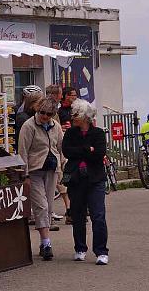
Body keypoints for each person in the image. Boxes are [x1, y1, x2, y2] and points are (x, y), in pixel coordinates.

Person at [62, 99, 109, 265]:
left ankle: (101, 251)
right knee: (78, 215)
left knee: (98, 216)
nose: (73, 118)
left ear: (85, 117)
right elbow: (67, 151)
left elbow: (99, 154)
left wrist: (83, 152)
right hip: (76, 179)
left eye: (76, 115)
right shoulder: (70, 133)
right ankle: (80, 248)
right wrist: (86, 150)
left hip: (95, 179)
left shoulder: (98, 134)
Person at [18, 96, 63, 261]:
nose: (45, 116)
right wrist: (25, 174)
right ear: (37, 110)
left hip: (52, 169)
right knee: (41, 206)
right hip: (35, 170)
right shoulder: (28, 126)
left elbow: (60, 147)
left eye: (49, 114)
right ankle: (46, 243)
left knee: (49, 206)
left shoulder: (55, 126)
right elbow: (22, 151)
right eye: (42, 112)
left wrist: (62, 167)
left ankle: (44, 242)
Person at [45, 84, 70, 226]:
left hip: (55, 152)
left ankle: (69, 209)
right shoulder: (51, 109)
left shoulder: (51, 109)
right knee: (61, 181)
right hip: (54, 152)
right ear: (55, 95)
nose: (62, 96)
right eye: (60, 94)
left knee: (61, 181)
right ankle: (68, 210)